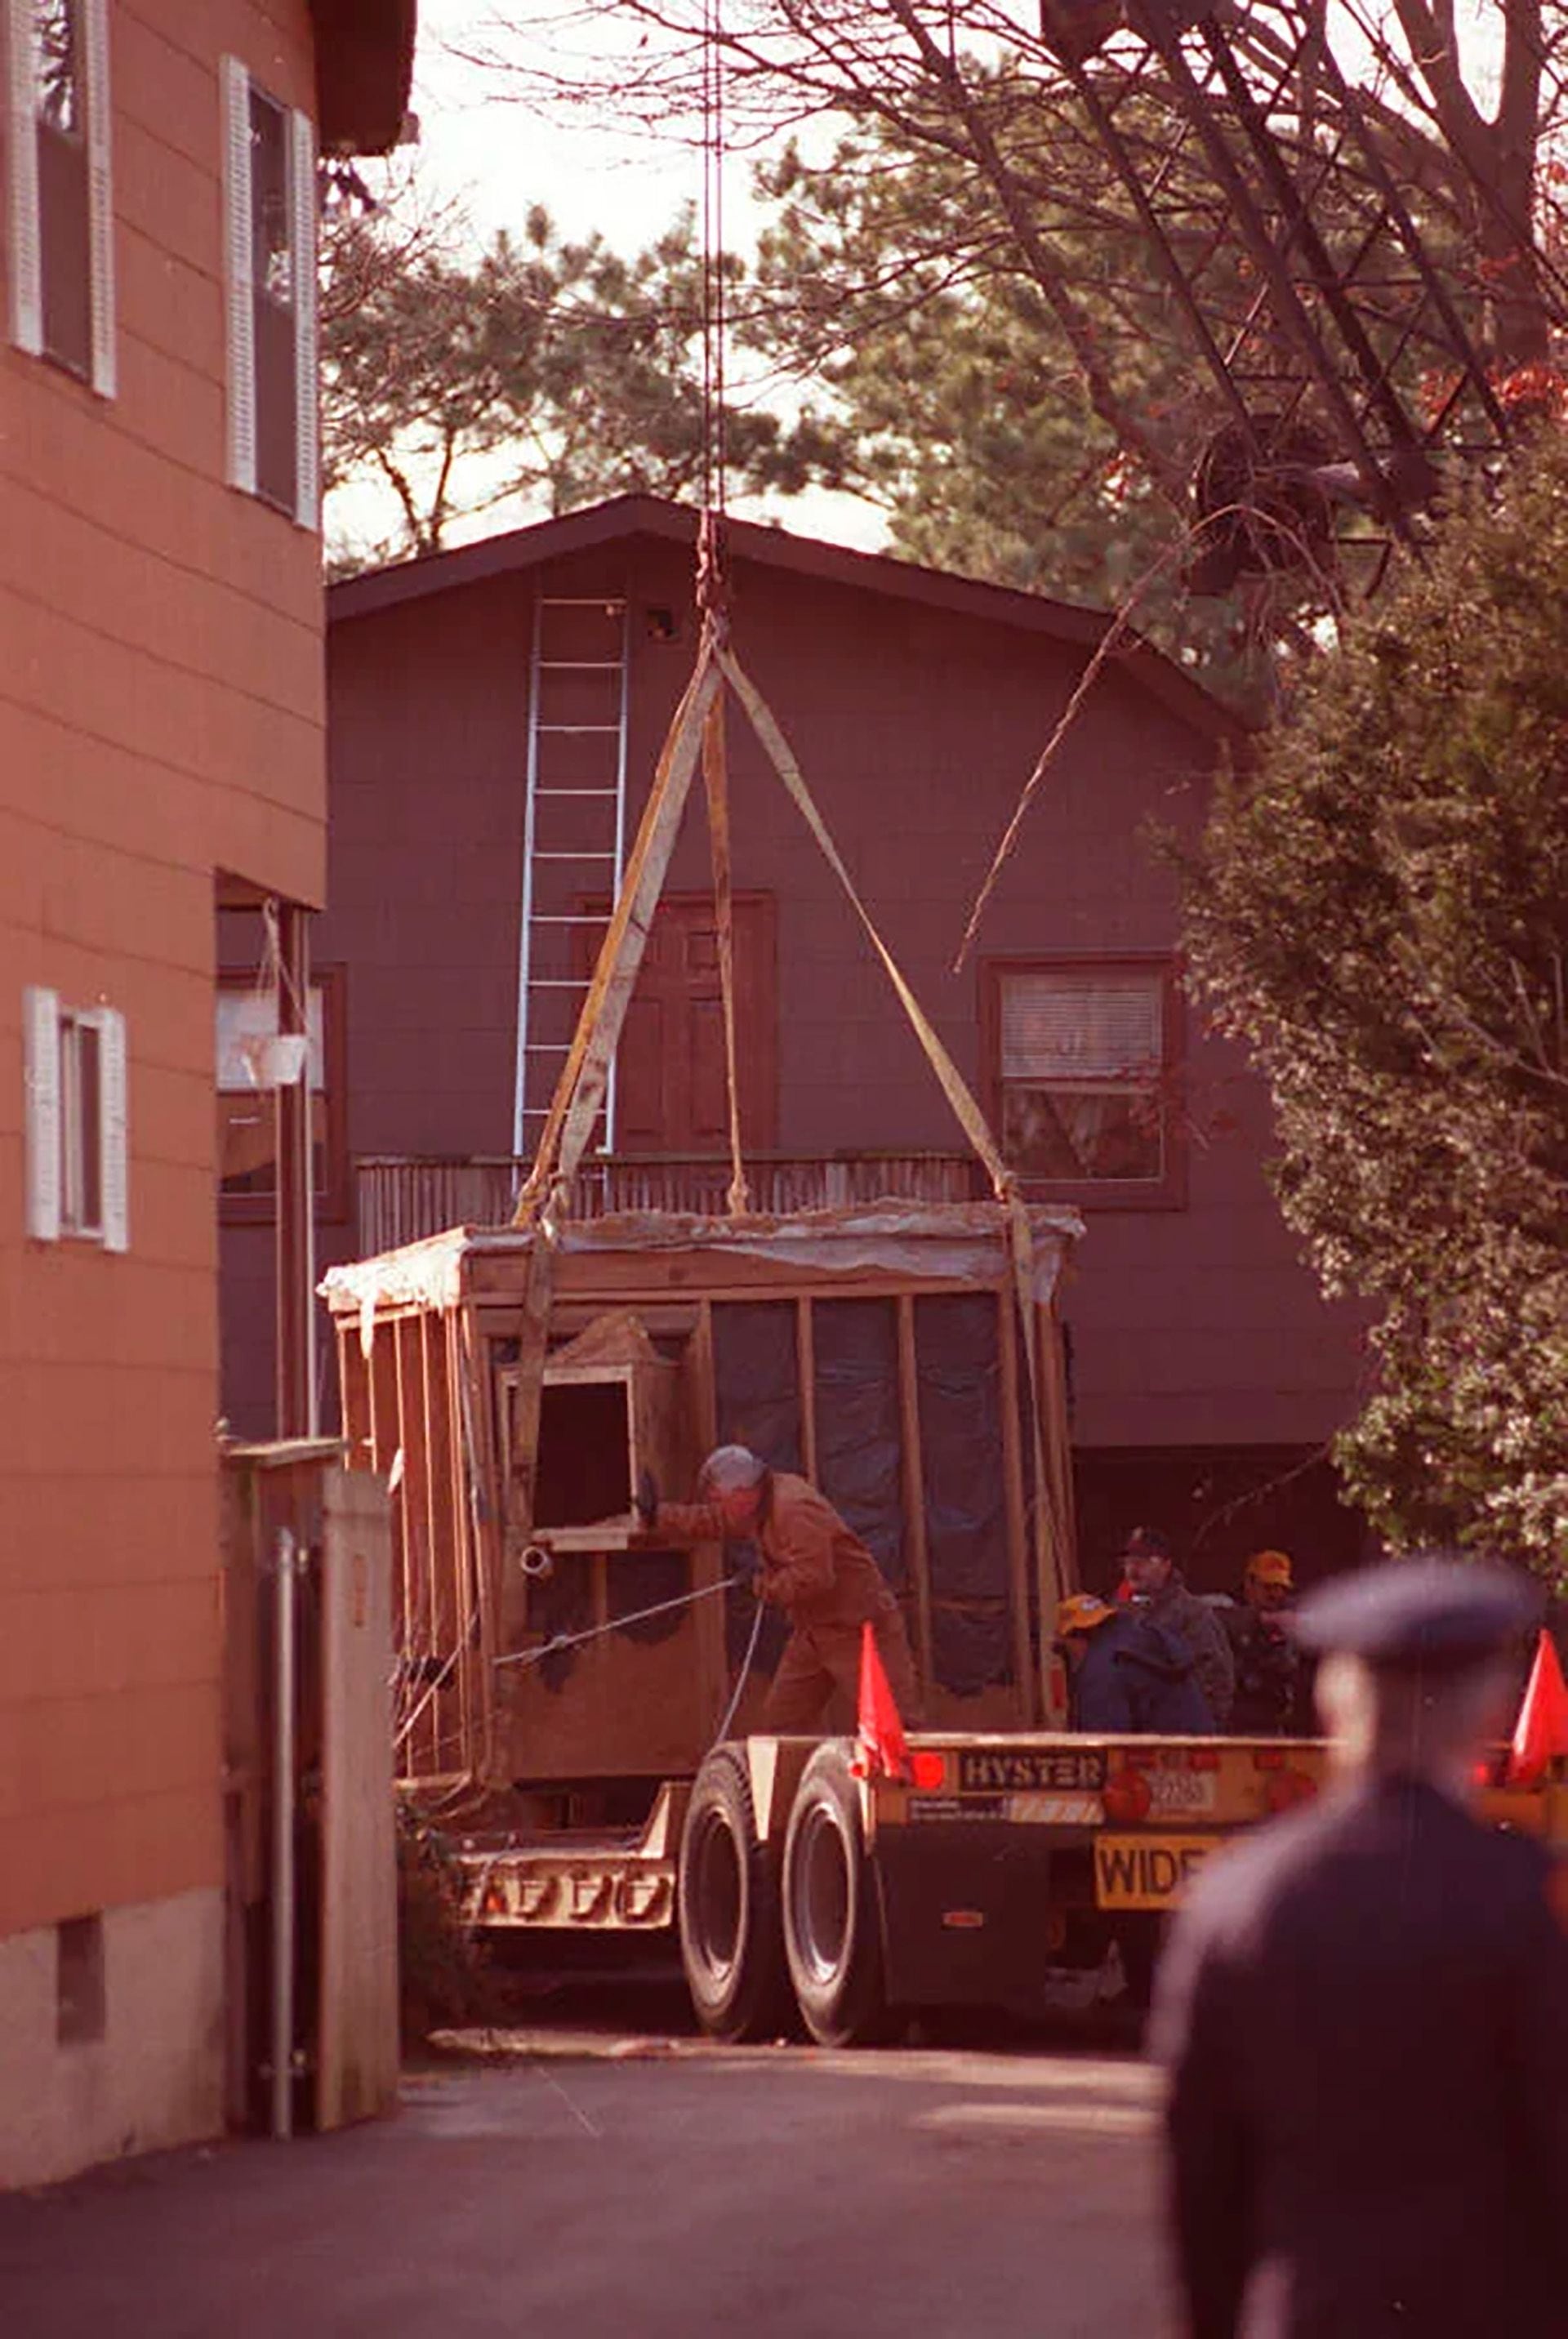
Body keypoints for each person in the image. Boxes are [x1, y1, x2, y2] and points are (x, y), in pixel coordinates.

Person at [1153, 1556, 1568, 2338]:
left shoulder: (1234, 1898)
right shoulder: (1534, 1901)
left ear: (1331, 1703)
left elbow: (1202, 2172)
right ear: (1488, 1710)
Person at [640, 1444, 920, 1731]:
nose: (717, 1508)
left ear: (742, 1494)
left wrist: (766, 1586)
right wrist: (659, 1516)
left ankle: (918, 1776)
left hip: (859, 1630)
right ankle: (789, 1776)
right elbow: (715, 1521)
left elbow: (816, 1576)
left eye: (719, 1500)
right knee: (781, 1727)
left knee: (896, 1728)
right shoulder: (757, 1506)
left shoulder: (793, 1508)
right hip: (814, 1633)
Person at [1119, 1526, 1236, 1727]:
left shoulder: (1192, 1615)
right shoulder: (1119, 1614)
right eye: (1129, 1560)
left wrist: (1201, 1728)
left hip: (1178, 1734)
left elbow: (1217, 1679)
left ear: (1166, 1565)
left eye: (1146, 1560)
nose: (1134, 1567)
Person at [1058, 1593, 1214, 1733]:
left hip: (1149, 1757)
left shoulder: (1102, 1668)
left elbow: (1105, 1738)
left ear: (1075, 1639)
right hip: (1200, 1748)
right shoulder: (1154, 1640)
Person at [1223, 1548, 1304, 1735]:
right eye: (1268, 1587)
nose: (1275, 1595)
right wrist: (1258, 1622)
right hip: (1232, 1723)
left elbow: (1289, 1667)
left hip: (1271, 1721)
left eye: (1281, 1588)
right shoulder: (1225, 1611)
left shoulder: (1287, 1624)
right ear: (1249, 1584)